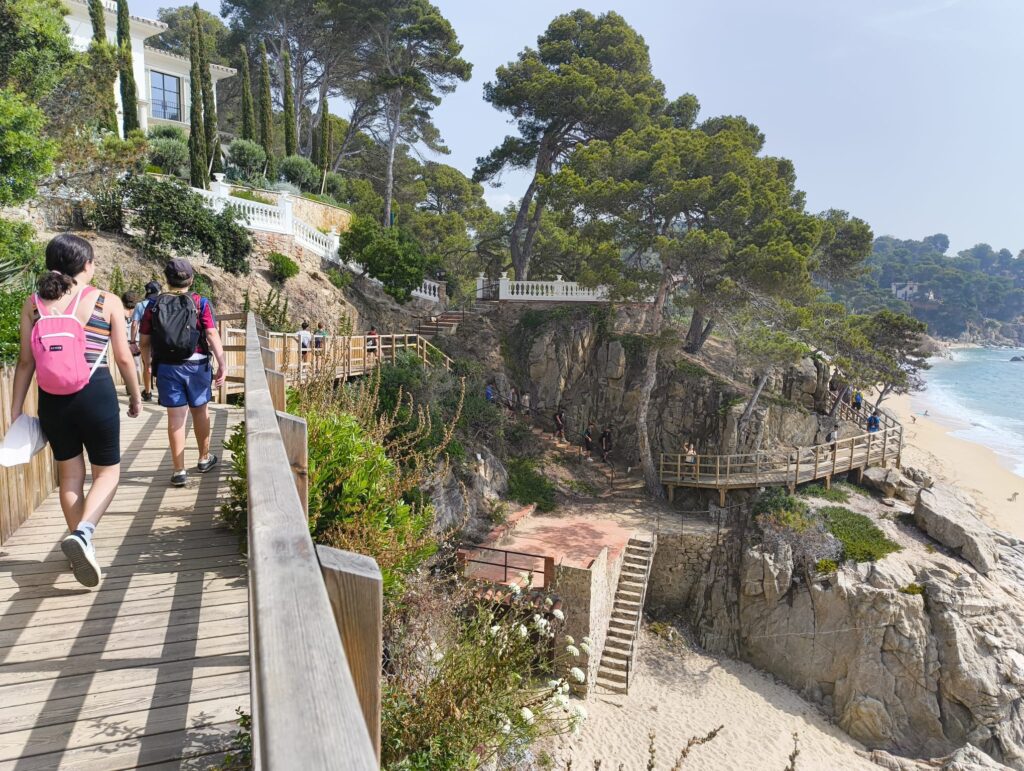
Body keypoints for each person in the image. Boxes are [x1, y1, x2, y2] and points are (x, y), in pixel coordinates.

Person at [9, 234, 142, 588]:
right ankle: (83, 534)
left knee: (69, 477)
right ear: (86, 264)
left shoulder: (33, 304)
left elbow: (25, 362)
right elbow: (123, 357)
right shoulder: (105, 300)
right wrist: (135, 395)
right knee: (107, 473)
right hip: (95, 393)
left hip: (52, 400)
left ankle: (81, 545)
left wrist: (16, 411)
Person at [139, 259, 226, 487]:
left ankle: (179, 470)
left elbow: (144, 341)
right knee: (201, 411)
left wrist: (148, 364)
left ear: (166, 279)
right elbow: (211, 334)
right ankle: (204, 459)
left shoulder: (153, 304)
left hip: (167, 366)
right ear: (191, 279)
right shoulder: (200, 302)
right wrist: (222, 363)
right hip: (197, 365)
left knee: (176, 418)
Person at [130, 281, 160, 402]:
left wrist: (132, 341)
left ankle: (147, 392)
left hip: (145, 339)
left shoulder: (140, 305)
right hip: (160, 339)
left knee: (147, 365)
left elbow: (134, 324)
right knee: (160, 364)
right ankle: (162, 394)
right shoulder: (162, 302)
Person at [121, 291, 142, 390]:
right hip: (137, 340)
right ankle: (136, 387)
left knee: (125, 365)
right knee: (137, 365)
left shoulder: (120, 311)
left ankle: (129, 387)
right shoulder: (139, 310)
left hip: (123, 341)